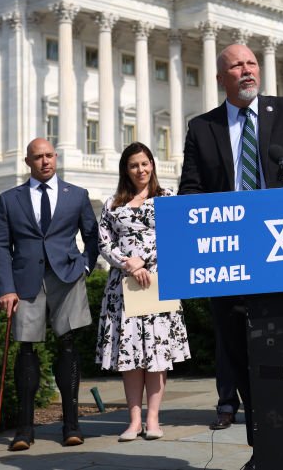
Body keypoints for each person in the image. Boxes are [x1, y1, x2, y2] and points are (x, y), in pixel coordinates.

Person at [178, 43, 283, 469]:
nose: (247, 70)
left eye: (251, 63)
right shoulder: (202, 128)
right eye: (237, 65)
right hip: (229, 257)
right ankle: (263, 447)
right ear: (221, 78)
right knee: (242, 354)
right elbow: (190, 190)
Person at [0, 137, 99, 450]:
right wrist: (6, 288)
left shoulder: (77, 195)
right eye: (38, 157)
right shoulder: (9, 199)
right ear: (28, 162)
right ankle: (24, 430)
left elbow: (92, 237)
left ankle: (72, 426)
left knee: (68, 347)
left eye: (50, 155)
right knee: (26, 350)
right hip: (26, 283)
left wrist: (86, 267)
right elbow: (0, 245)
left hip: (67, 278)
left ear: (56, 157)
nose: (45, 162)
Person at [95, 142, 190, 441]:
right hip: (122, 288)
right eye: (134, 165)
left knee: (156, 354)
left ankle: (153, 420)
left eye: (145, 163)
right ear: (126, 169)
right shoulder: (112, 203)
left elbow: (176, 237)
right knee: (131, 356)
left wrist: (144, 261)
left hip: (157, 285)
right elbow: (103, 242)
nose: (141, 170)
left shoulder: (167, 199)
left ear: (153, 165)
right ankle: (134, 421)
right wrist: (128, 263)